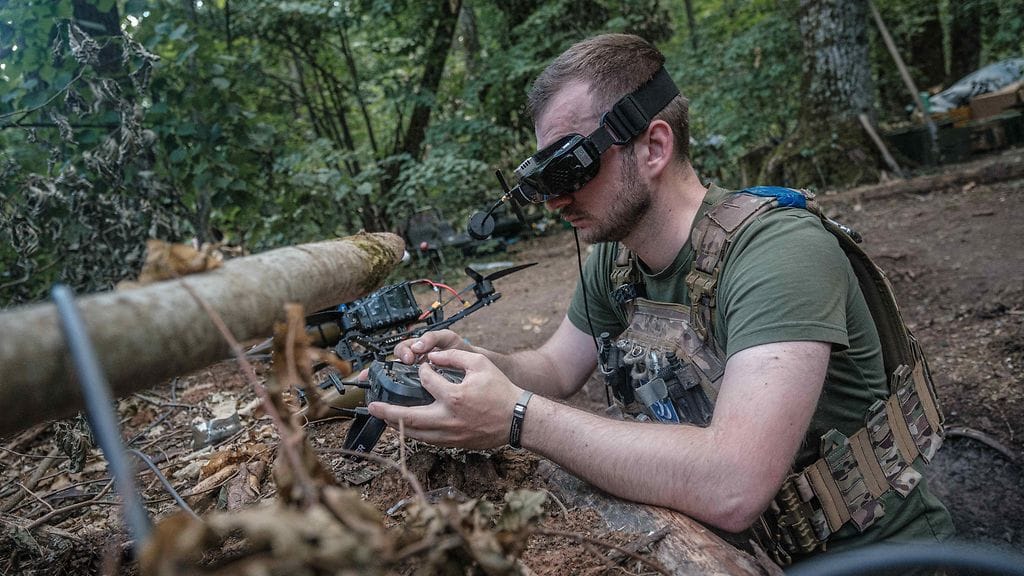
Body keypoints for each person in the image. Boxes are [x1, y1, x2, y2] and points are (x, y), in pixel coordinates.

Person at [367, 33, 954, 563]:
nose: (554, 202)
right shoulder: (614, 259)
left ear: (653, 147)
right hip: (729, 555)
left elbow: (734, 484)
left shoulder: (778, 253)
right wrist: (474, 366)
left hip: (877, 557)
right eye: (542, 181)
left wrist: (517, 417)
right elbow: (552, 367)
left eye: (571, 168)